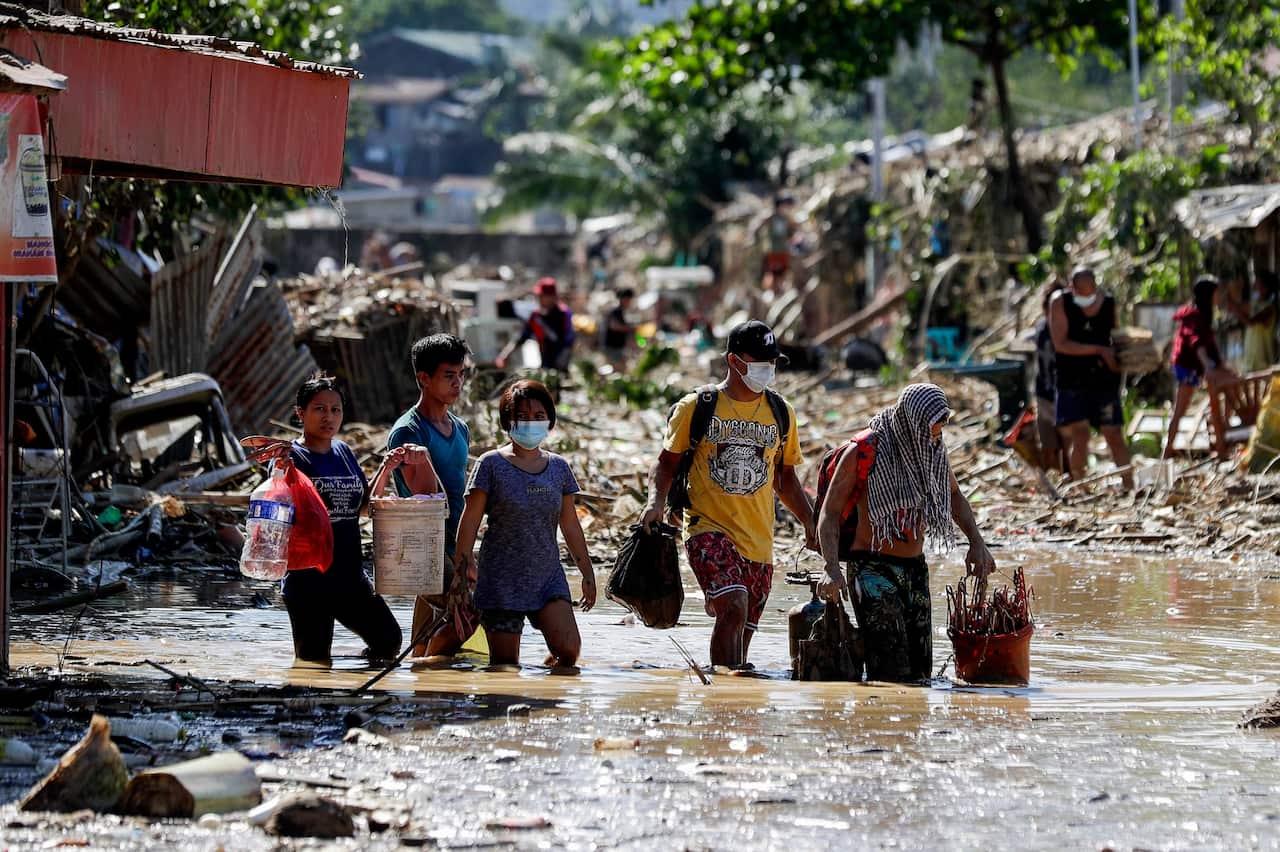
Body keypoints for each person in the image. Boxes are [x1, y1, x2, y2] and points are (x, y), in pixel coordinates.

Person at [639, 320, 816, 670]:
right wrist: (654, 504)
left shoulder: (782, 413)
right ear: (734, 362)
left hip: (760, 542)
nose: (769, 369)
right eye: (761, 361)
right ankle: (724, 691)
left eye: (773, 361)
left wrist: (812, 524)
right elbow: (665, 464)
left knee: (741, 640)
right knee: (733, 604)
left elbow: (786, 481)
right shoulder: (698, 406)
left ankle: (730, 712)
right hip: (708, 530)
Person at [817, 383, 995, 683]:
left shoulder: (932, 450)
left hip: (915, 571)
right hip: (872, 571)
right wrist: (831, 568)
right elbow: (830, 514)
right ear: (911, 423)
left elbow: (955, 497)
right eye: (931, 430)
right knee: (888, 671)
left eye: (939, 430)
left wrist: (977, 543)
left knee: (920, 671)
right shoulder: (863, 451)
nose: (935, 437)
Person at [279, 376, 432, 664]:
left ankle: (357, 687)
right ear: (301, 413)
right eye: (319, 409)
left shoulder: (343, 452)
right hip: (308, 581)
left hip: (349, 577)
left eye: (335, 410)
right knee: (314, 663)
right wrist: (281, 469)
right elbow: (278, 507)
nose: (329, 417)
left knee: (388, 641)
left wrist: (387, 468)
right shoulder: (291, 457)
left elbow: (363, 506)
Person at [450, 379, 595, 669]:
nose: (531, 423)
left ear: (549, 421)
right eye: (522, 417)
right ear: (508, 421)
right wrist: (462, 567)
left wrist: (587, 573)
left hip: (547, 577)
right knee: (505, 666)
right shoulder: (490, 464)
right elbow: (470, 520)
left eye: (539, 417)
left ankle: (547, 689)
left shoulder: (559, 467)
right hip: (501, 580)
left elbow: (570, 525)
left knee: (569, 652)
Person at [386, 334, 474, 658]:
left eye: (461, 374)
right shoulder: (409, 432)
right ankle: (432, 675)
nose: (458, 382)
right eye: (449, 375)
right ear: (424, 378)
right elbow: (427, 501)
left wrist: (466, 550)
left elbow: (460, 491)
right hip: (424, 546)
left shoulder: (460, 428)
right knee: (469, 610)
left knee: (426, 629)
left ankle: (421, 688)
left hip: (453, 542)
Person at [1049, 266, 1132, 489]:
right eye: (1081, 292)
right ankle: (1078, 485)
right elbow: (1061, 343)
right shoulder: (1060, 303)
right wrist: (1098, 350)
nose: (1086, 298)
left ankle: (1129, 484)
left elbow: (1116, 337)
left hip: (1103, 378)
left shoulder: (1108, 303)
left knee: (1113, 432)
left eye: (1090, 292)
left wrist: (1123, 358)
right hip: (1072, 378)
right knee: (1081, 433)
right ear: (1071, 288)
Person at [1163, 276, 1241, 459]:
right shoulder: (1193, 316)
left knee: (1233, 382)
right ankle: (1167, 451)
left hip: (1198, 366)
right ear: (1208, 295)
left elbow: (1211, 347)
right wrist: (1209, 367)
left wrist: (1222, 367)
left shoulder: (1205, 316)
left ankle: (1224, 432)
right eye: (1216, 293)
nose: (1218, 296)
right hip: (1187, 368)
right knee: (1180, 410)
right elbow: (1196, 343)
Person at [496, 278, 576, 372]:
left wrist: (562, 360)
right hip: (545, 362)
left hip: (561, 363)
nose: (539, 299)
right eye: (538, 296)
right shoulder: (536, 316)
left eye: (542, 296)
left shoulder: (564, 313)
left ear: (552, 297)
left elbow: (569, 339)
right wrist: (505, 355)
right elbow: (522, 337)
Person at [1034, 281, 1065, 472]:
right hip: (1044, 393)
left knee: (1066, 442)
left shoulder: (1068, 329)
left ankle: (1070, 479)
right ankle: (1056, 480)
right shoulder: (1041, 327)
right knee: (1048, 444)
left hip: (1064, 392)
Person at [1235, 270, 1277, 373]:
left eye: (1257, 283)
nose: (1254, 286)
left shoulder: (1269, 308)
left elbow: (1250, 322)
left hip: (1263, 363)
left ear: (1265, 288)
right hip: (1251, 362)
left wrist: (1235, 309)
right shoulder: (1256, 303)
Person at [760, 194, 796, 292]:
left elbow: (792, 230)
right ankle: (773, 291)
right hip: (773, 251)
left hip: (784, 251)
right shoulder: (771, 218)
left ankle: (781, 291)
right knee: (773, 274)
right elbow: (759, 226)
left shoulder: (787, 219)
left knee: (784, 273)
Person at [601, 288, 636, 372]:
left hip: (617, 347)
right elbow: (614, 326)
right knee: (618, 370)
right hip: (612, 347)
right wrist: (630, 328)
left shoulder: (621, 312)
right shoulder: (615, 311)